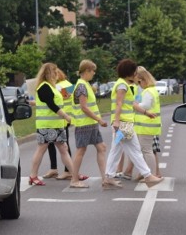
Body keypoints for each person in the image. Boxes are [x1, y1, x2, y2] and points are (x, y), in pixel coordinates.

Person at [104, 59, 163, 189]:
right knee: (135, 150)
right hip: (124, 124)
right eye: (135, 72)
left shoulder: (123, 84)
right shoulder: (122, 86)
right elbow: (119, 103)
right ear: (129, 72)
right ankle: (148, 176)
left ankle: (108, 177)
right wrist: (118, 121)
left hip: (123, 124)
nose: (136, 74)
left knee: (116, 149)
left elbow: (131, 104)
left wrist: (145, 112)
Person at [28, 63, 79, 187]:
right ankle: (33, 175)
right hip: (47, 125)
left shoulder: (51, 87)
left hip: (55, 124)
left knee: (63, 149)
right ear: (50, 73)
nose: (57, 74)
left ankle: (74, 176)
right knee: (42, 149)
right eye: (55, 72)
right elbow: (51, 105)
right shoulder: (44, 87)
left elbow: (50, 103)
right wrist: (66, 116)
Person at [69, 59, 108, 188]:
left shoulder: (85, 84)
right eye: (92, 71)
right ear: (86, 71)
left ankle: (105, 178)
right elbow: (84, 107)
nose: (94, 74)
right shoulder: (81, 86)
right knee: (81, 150)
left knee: (101, 147)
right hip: (84, 124)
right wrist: (99, 119)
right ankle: (74, 180)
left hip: (90, 124)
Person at [43, 69, 76, 180]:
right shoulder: (69, 85)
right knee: (61, 144)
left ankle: (64, 170)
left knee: (59, 145)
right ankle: (64, 170)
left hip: (59, 118)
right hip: (66, 117)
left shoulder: (58, 87)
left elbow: (54, 102)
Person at [133, 66, 163, 178]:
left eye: (139, 82)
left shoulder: (148, 91)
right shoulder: (152, 90)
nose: (139, 85)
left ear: (142, 80)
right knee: (146, 150)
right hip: (148, 126)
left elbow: (145, 105)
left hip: (146, 126)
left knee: (147, 151)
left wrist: (135, 105)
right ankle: (147, 173)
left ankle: (152, 175)